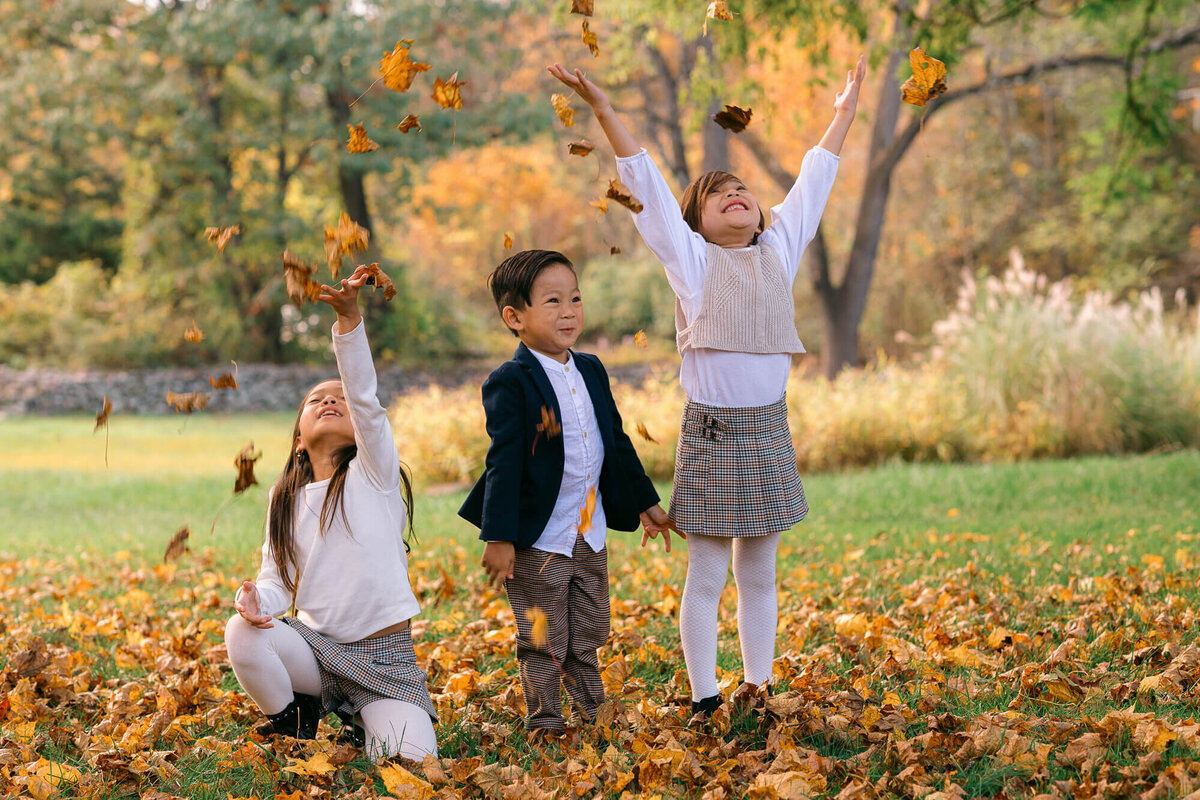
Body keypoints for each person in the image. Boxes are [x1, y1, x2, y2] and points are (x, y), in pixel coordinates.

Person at [548, 56, 866, 715]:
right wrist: (606, 112)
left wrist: (843, 115)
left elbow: (814, 182)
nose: (736, 195)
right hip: (715, 432)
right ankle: (705, 697)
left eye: (742, 188)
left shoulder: (778, 250)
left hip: (769, 428)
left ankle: (757, 682)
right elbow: (650, 190)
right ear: (696, 222)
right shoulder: (692, 262)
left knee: (760, 572)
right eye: (718, 193)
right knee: (709, 575)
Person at [224, 264, 437, 761]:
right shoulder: (285, 497)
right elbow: (279, 580)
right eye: (317, 399)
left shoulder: (374, 473)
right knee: (242, 634)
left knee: (407, 761)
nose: (330, 401)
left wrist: (348, 322)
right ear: (298, 439)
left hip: (384, 661)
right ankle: (298, 720)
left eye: (337, 398)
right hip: (316, 654)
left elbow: (364, 396)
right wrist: (260, 601)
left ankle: (362, 721)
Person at [459, 249, 676, 735]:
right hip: (537, 539)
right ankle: (547, 721)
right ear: (515, 317)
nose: (569, 310)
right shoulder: (510, 382)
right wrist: (498, 537)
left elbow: (616, 443)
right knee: (542, 635)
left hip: (588, 533)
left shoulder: (592, 370)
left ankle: (591, 711)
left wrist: (647, 504)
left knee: (590, 628)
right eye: (552, 300)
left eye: (575, 298)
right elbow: (504, 461)